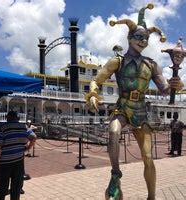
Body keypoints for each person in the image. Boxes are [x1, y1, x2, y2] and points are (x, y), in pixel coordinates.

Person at [85, 3, 184, 200]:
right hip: (122, 106)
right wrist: (93, 94)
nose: (143, 41)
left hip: (140, 110)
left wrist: (178, 85)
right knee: (113, 131)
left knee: (148, 157)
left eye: (146, 38)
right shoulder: (118, 61)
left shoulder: (152, 64)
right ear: (129, 38)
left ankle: (152, 196)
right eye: (139, 37)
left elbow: (165, 89)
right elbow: (96, 80)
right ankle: (115, 175)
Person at [0, 111, 36, 200]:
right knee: (16, 186)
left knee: (3, 185)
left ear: (8, 118)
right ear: (16, 118)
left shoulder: (3, 128)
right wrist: (27, 148)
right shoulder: (23, 127)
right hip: (19, 160)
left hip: (5, 161)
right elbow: (33, 137)